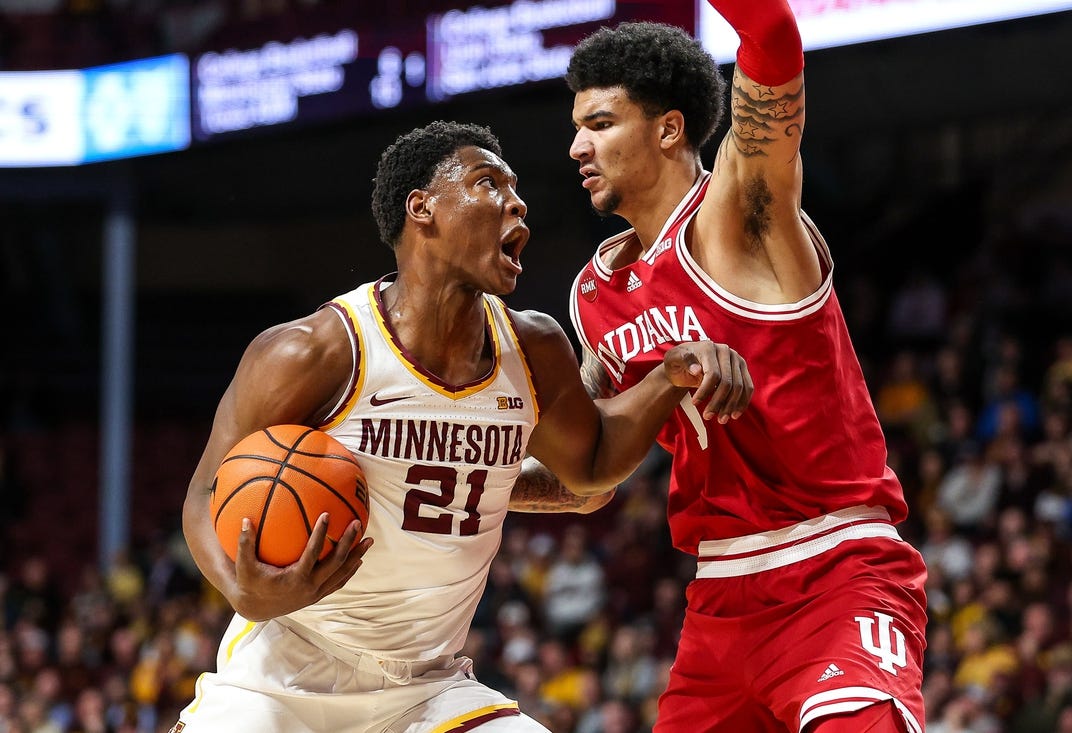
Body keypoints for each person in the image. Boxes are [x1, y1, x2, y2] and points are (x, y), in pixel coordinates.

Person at [171, 120, 752, 733]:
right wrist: (243, 590)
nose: (517, 203)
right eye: (487, 184)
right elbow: (206, 492)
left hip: (427, 686)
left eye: (517, 190)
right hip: (284, 675)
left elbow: (593, 467)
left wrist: (668, 375)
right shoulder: (314, 352)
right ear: (422, 209)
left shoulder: (533, 348)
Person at [536, 1, 930, 730]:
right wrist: (459, 492)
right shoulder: (594, 297)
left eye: (598, 124)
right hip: (717, 602)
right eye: (575, 128)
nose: (576, 148)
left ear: (668, 128)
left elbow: (773, 35)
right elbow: (585, 476)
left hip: (835, 571)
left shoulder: (740, 214)